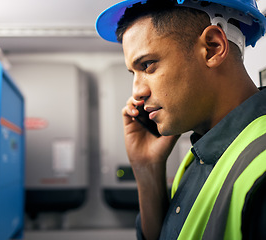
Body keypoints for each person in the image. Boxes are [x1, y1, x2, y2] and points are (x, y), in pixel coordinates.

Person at [96, 0, 266, 239]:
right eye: (133, 73)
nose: (137, 92)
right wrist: (148, 168)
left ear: (212, 47)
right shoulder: (199, 156)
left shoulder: (261, 167)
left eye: (148, 65)